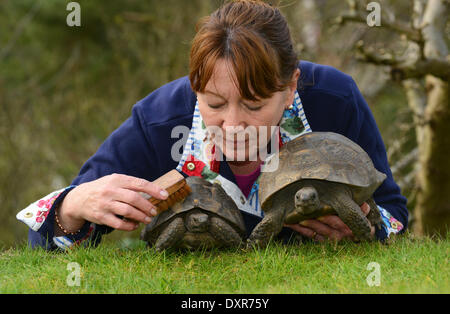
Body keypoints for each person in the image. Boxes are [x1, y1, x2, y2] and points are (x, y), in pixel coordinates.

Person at [17, 0, 407, 251]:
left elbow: (394, 213)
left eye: (254, 104)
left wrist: (370, 229)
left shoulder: (334, 101)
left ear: (290, 88)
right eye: (215, 103)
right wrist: (73, 206)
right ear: (194, 87)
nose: (234, 124)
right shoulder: (158, 120)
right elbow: (47, 239)